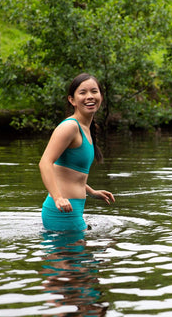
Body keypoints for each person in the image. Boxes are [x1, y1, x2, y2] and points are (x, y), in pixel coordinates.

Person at [39, 73, 115, 232]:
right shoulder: (70, 127)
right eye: (83, 92)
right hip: (62, 211)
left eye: (94, 91)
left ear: (101, 96)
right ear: (72, 100)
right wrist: (58, 197)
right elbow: (45, 163)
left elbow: (69, 174)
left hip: (72, 210)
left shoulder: (87, 129)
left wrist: (92, 192)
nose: (90, 96)